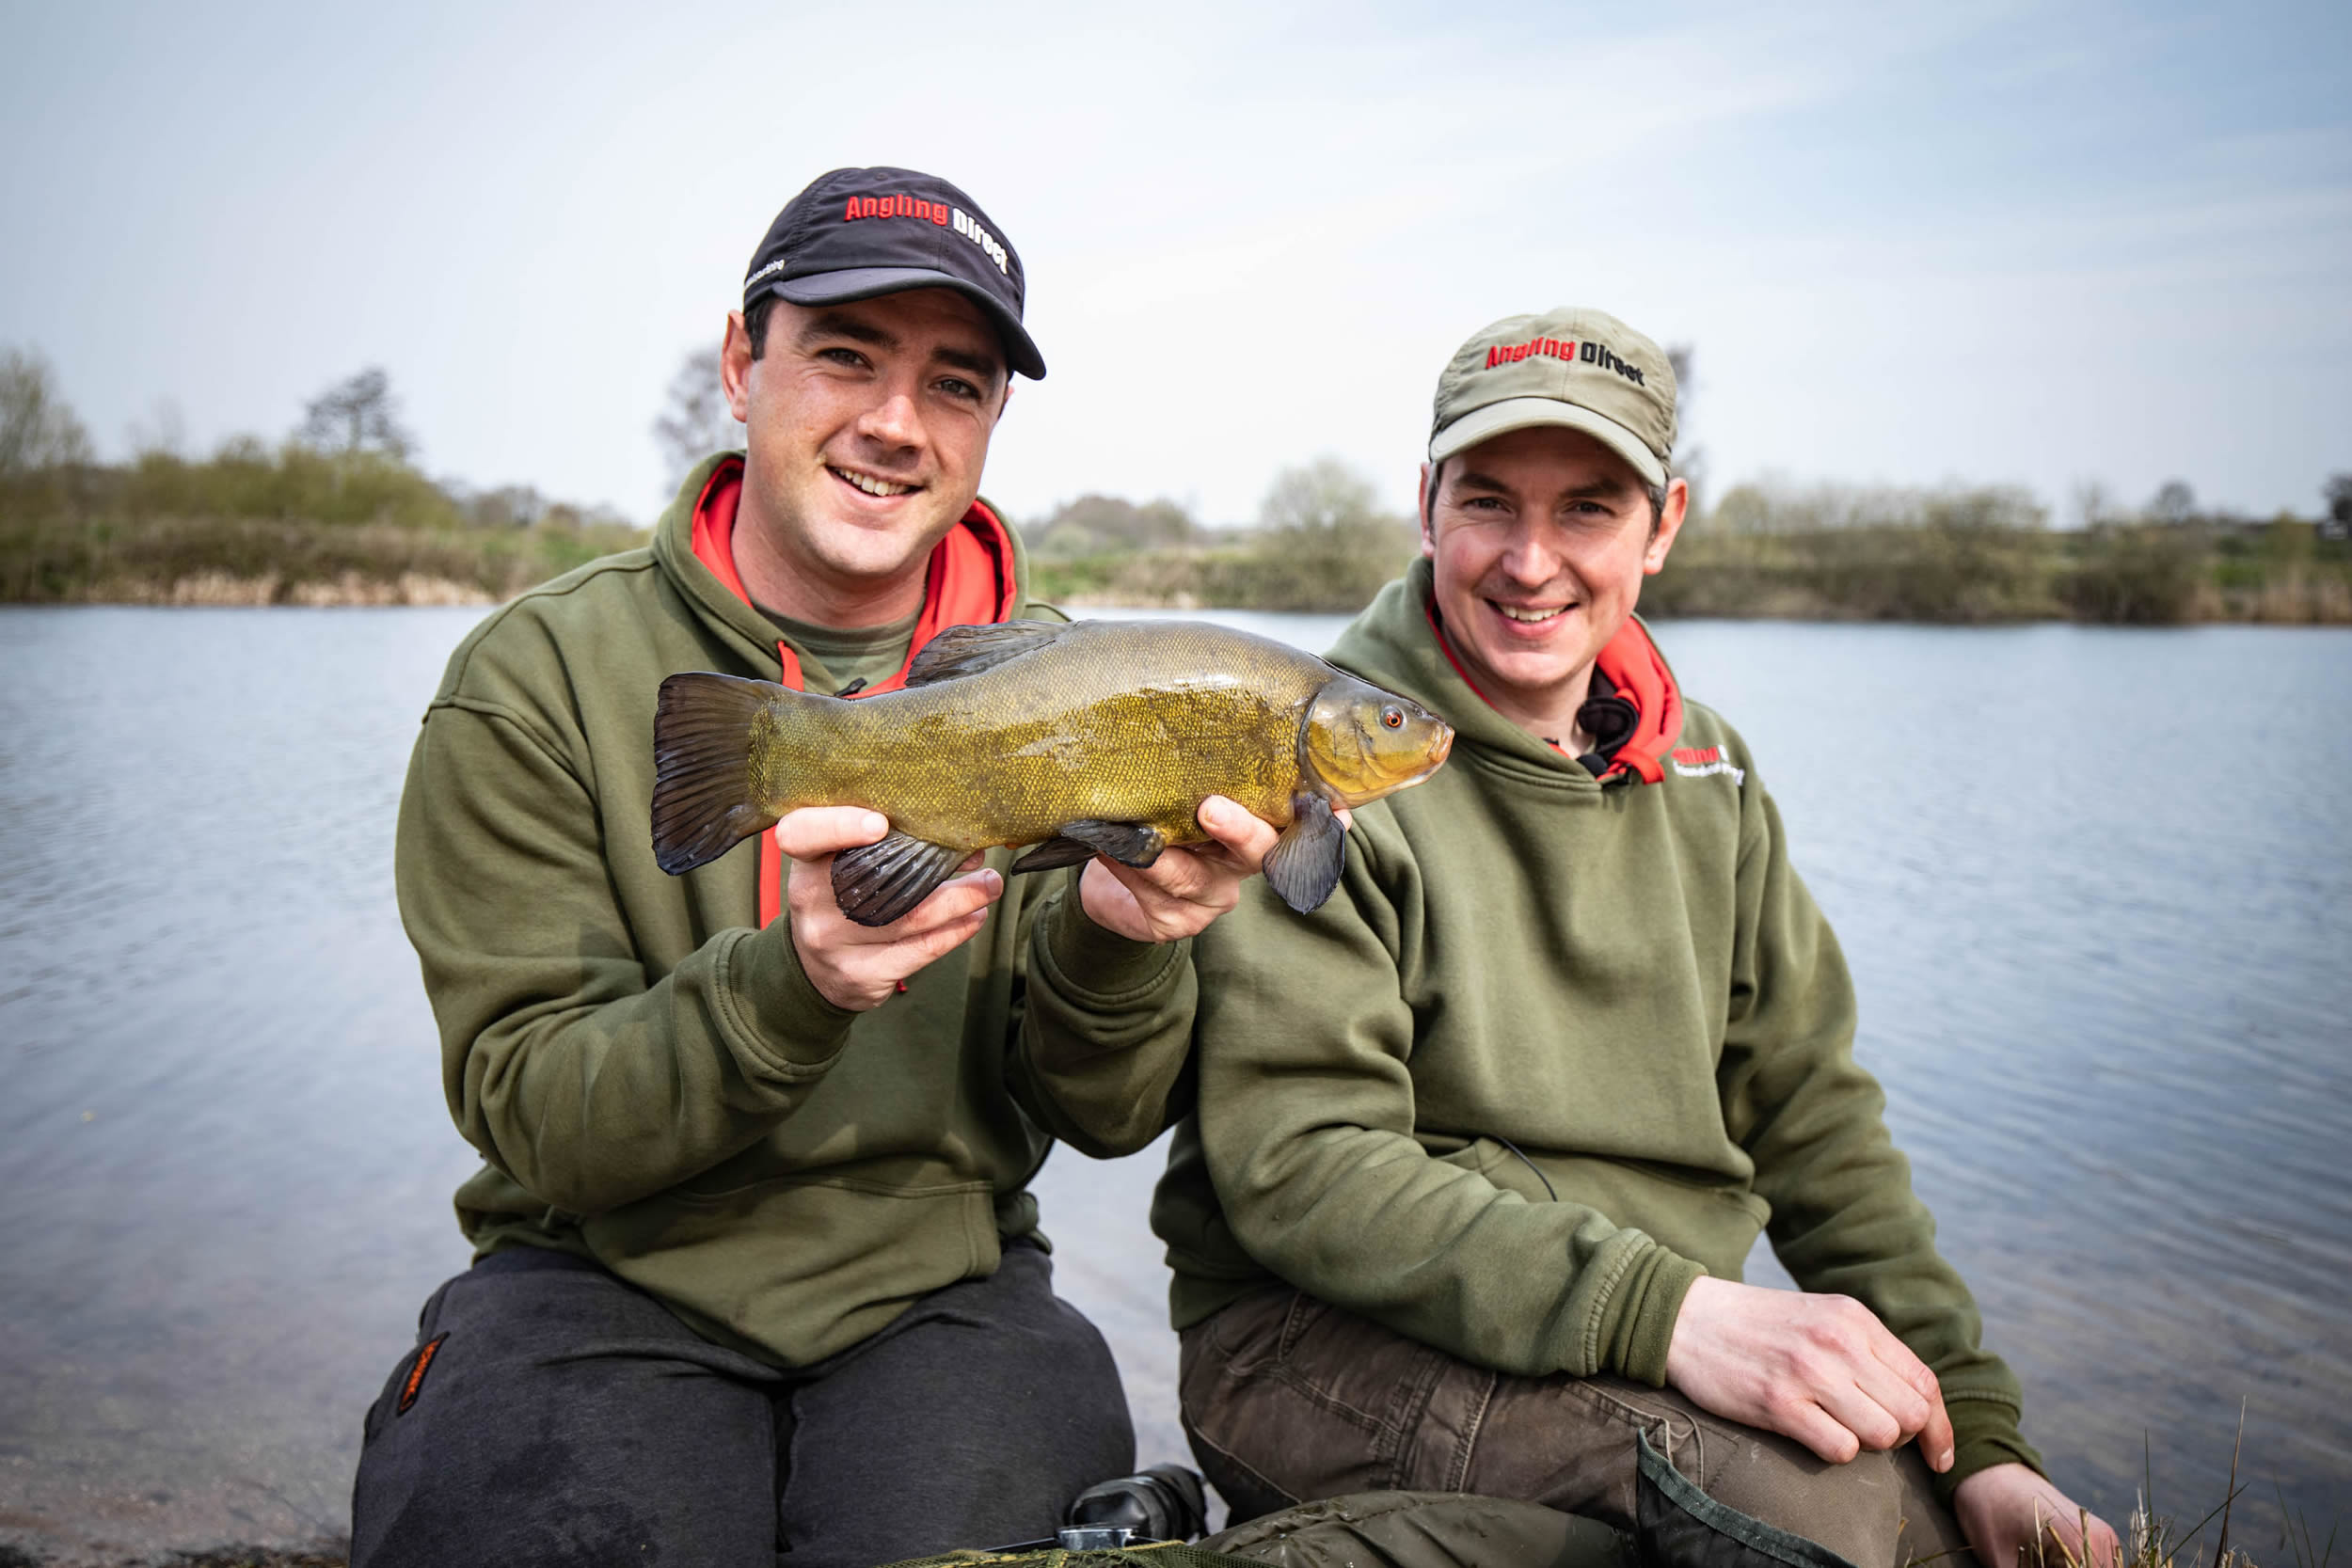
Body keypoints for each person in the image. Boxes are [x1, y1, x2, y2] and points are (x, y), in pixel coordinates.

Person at [354, 166, 1270, 1568]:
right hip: (590, 1275)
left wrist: (1119, 938)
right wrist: (793, 986)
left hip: (945, 1290)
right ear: (741, 361)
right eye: (846, 356)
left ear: (992, 422)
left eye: (955, 384)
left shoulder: (1085, 685)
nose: (897, 424)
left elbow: (1107, 1116)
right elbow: (537, 1117)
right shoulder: (535, 678)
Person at [1151, 309, 2122, 1567]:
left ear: (1664, 526)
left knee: (1927, 1523)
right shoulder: (1316, 762)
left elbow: (1815, 1122)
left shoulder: (1711, 774)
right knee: (1818, 1520)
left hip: (1620, 1332)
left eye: (1590, 511)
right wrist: (1671, 1316)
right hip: (1302, 1344)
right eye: (1489, 503)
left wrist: (1983, 1438)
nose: (1530, 560)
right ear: (1427, 505)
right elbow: (1306, 1168)